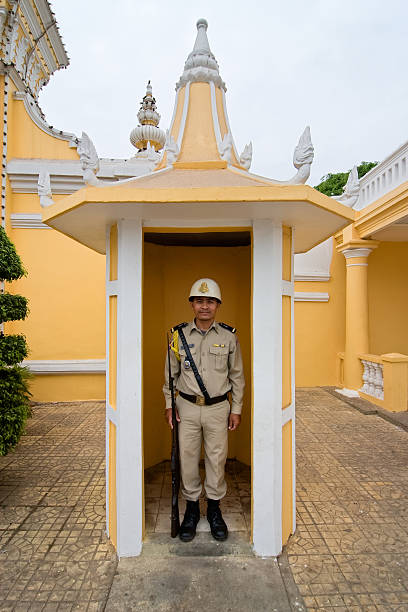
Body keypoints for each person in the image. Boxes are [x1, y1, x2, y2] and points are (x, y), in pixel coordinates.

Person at [163, 278, 245, 542]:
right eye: (200, 301)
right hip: (186, 408)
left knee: (216, 460)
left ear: (217, 305)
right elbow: (170, 376)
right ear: (192, 304)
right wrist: (168, 404)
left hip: (218, 409)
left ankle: (213, 509)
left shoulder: (229, 336)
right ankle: (191, 510)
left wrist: (237, 408)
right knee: (187, 460)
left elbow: (237, 377)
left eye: (210, 301)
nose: (205, 306)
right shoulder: (179, 336)